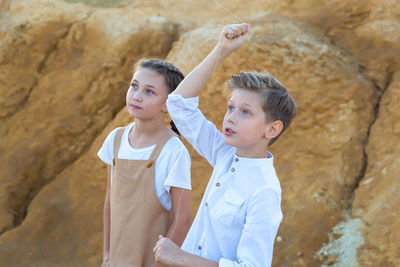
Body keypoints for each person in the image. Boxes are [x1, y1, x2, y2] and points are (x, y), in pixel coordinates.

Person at [153, 23, 297, 266]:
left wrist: (179, 256)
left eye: (245, 112)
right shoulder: (225, 154)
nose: (230, 117)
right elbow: (178, 104)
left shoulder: (265, 191)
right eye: (230, 107)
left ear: (272, 129)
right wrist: (222, 49)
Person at [97, 59, 192, 267]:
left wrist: (161, 264)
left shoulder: (174, 151)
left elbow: (183, 219)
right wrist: (107, 256)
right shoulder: (115, 140)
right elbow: (110, 199)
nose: (137, 96)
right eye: (134, 86)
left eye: (149, 91)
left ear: (167, 105)